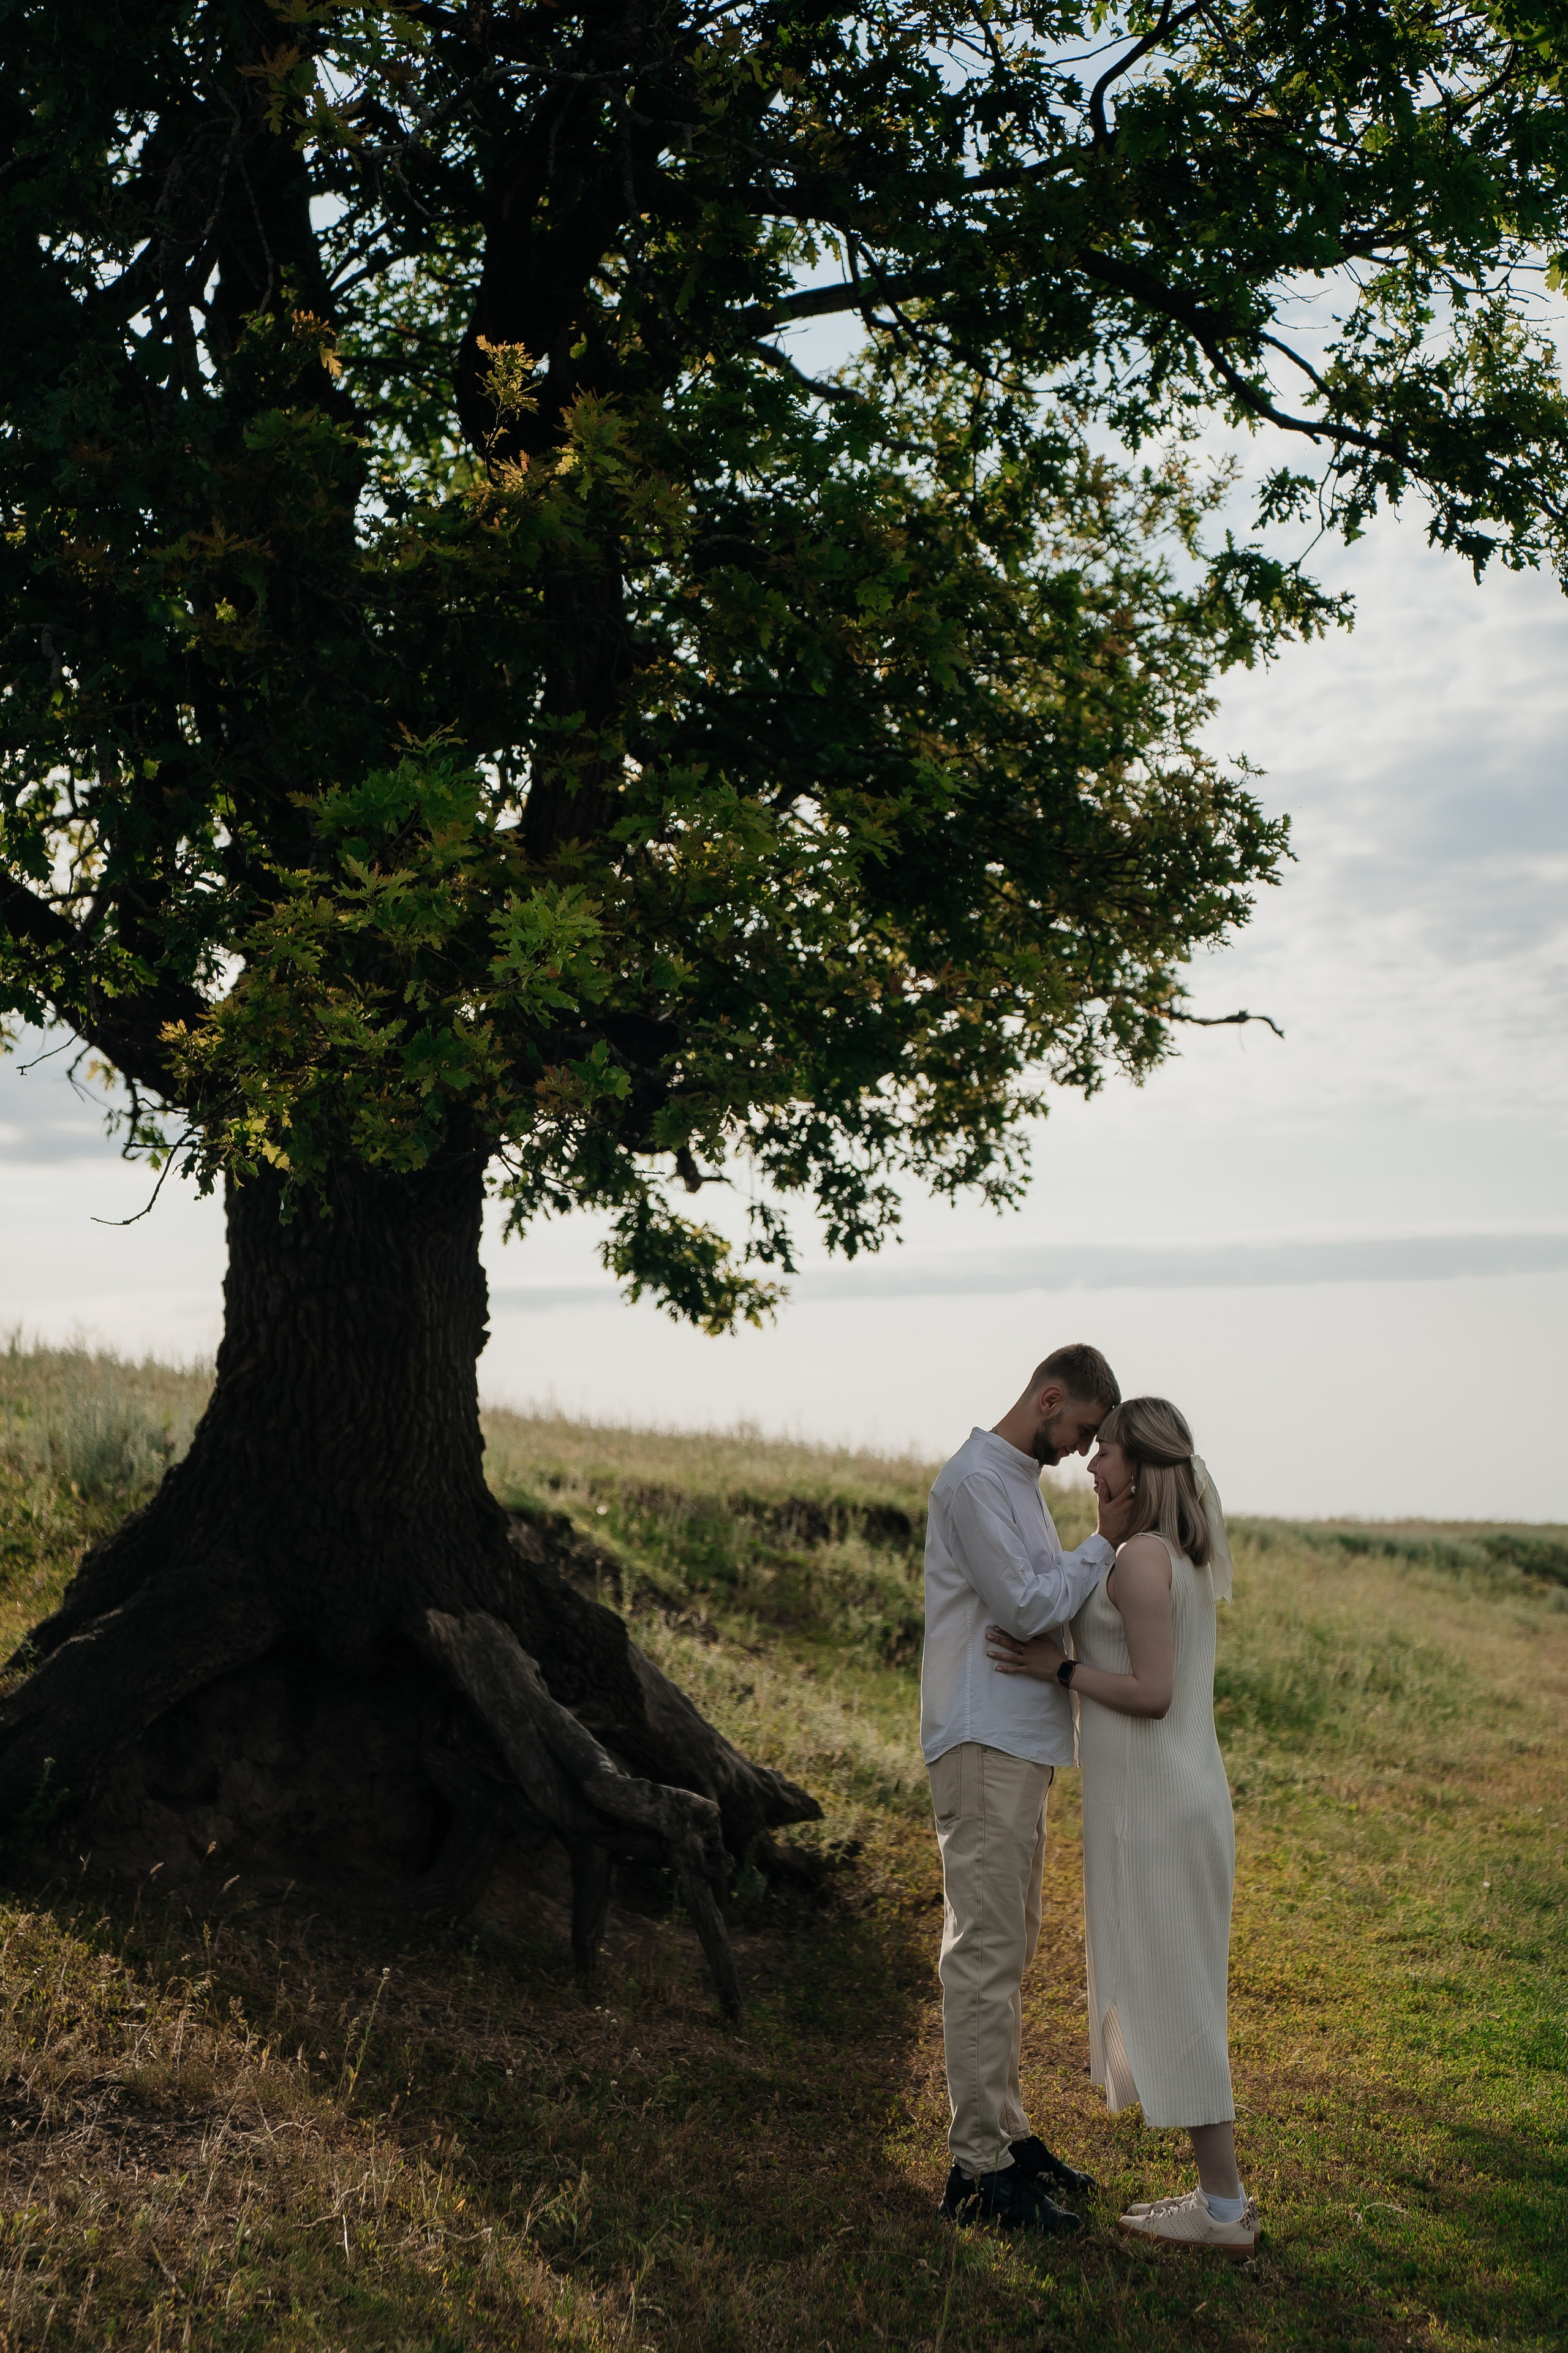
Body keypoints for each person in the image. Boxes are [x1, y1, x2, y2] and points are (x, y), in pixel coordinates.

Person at [987, 1396, 1256, 2258]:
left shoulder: (1146, 1559)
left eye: (1104, 1451)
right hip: (1155, 1803)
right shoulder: (1147, 1550)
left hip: (1162, 1808)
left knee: (1177, 1992)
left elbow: (1153, 1691)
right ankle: (1219, 2198)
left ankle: (1225, 2209)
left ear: (1139, 1466)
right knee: (1168, 1986)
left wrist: (1059, 1667)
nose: (1091, 1464)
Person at [921, 1342, 1129, 2235]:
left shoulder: (1017, 1487)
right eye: (1084, 1428)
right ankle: (976, 2172)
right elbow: (1025, 1604)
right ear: (1050, 1397)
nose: (1087, 1451)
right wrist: (1105, 1545)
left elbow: (1047, 1600)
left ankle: (1008, 2136)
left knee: (1010, 1949)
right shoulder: (973, 1482)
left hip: (1020, 1744)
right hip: (983, 1739)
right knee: (983, 1952)